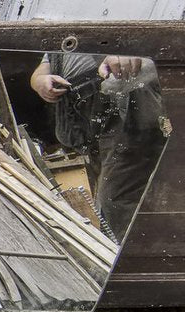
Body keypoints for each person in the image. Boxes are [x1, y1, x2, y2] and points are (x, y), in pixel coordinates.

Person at [30, 54, 167, 241]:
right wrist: (39, 81)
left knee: (118, 200)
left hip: (124, 108)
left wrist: (124, 51)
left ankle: (139, 261)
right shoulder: (64, 28)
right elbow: (44, 66)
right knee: (110, 201)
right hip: (91, 121)